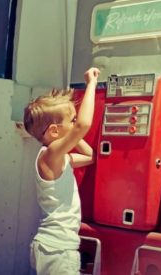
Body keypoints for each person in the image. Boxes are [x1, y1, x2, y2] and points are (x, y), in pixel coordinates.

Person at [23, 67, 100, 275]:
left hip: (52, 248)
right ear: (54, 131)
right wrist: (91, 83)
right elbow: (84, 124)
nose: (75, 123)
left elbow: (91, 157)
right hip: (58, 249)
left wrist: (73, 133)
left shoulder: (60, 159)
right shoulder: (50, 155)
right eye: (71, 120)